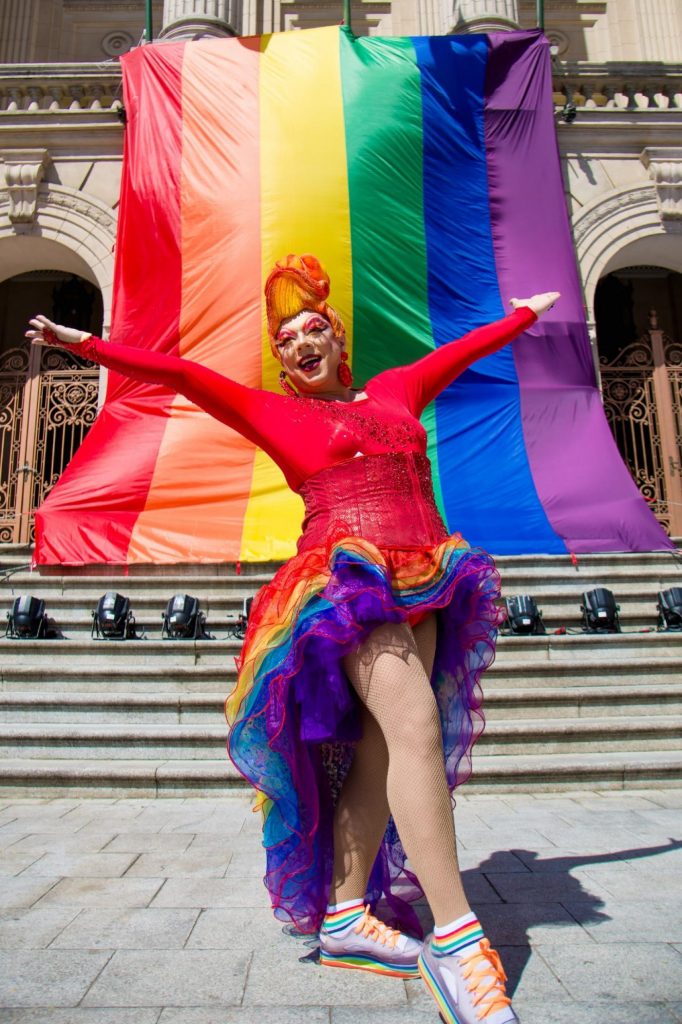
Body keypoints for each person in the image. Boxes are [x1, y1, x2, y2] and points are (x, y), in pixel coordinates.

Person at [28, 254, 559, 1024]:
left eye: (314, 330)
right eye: (287, 340)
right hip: (348, 587)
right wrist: (89, 345)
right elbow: (179, 373)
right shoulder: (275, 413)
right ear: (282, 363)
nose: (300, 342)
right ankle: (456, 940)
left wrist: (520, 318)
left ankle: (345, 919)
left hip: (430, 579)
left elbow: (461, 351)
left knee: (386, 752)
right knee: (412, 727)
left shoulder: (396, 390)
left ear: (340, 342)